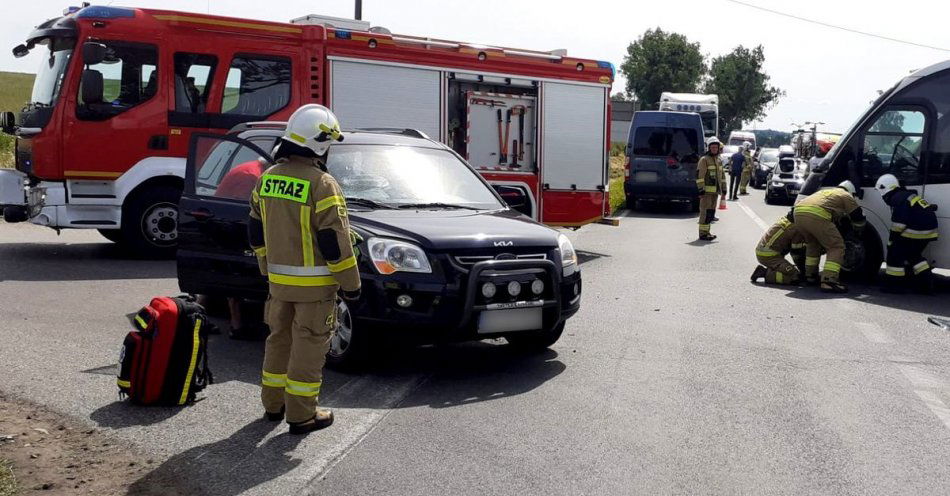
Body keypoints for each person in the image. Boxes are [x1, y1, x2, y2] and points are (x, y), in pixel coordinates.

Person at [247, 104, 361, 435]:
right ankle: (301, 415)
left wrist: (266, 267)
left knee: (278, 341)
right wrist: (351, 284)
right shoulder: (322, 183)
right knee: (308, 349)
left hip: (278, 285)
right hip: (315, 291)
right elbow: (334, 243)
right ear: (320, 142)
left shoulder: (267, 179)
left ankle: (273, 405)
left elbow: (255, 231)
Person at [210, 157, 270, 339]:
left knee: (220, 273)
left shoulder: (252, 168)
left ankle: (199, 313)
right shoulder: (252, 176)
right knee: (235, 274)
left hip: (220, 221)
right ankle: (236, 326)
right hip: (228, 226)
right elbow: (249, 210)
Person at [792, 181, 866, 293]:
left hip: (798, 214)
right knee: (836, 246)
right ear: (851, 192)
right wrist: (858, 231)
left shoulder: (827, 192)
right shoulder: (846, 195)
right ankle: (829, 280)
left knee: (813, 244)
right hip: (815, 216)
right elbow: (857, 216)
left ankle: (810, 276)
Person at [874, 174, 939, 293]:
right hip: (929, 230)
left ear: (886, 189)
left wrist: (891, 242)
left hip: (917, 230)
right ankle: (927, 283)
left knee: (894, 253)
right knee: (913, 255)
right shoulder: (906, 195)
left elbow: (898, 225)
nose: (882, 197)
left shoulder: (897, 199)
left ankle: (894, 285)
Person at [750, 212, 806, 285]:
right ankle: (763, 273)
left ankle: (775, 269)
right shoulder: (796, 228)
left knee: (792, 271)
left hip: (764, 252)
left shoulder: (787, 220)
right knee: (796, 276)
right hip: (769, 255)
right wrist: (804, 271)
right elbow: (796, 253)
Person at [696, 136, 726, 241]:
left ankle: (707, 232)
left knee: (710, 213)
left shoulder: (719, 160)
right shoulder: (704, 160)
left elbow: (722, 176)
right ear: (708, 148)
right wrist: (701, 189)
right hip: (706, 193)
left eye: (716, 147)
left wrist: (724, 188)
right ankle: (702, 234)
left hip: (715, 192)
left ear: (718, 148)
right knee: (704, 212)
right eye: (712, 147)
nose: (714, 149)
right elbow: (700, 177)